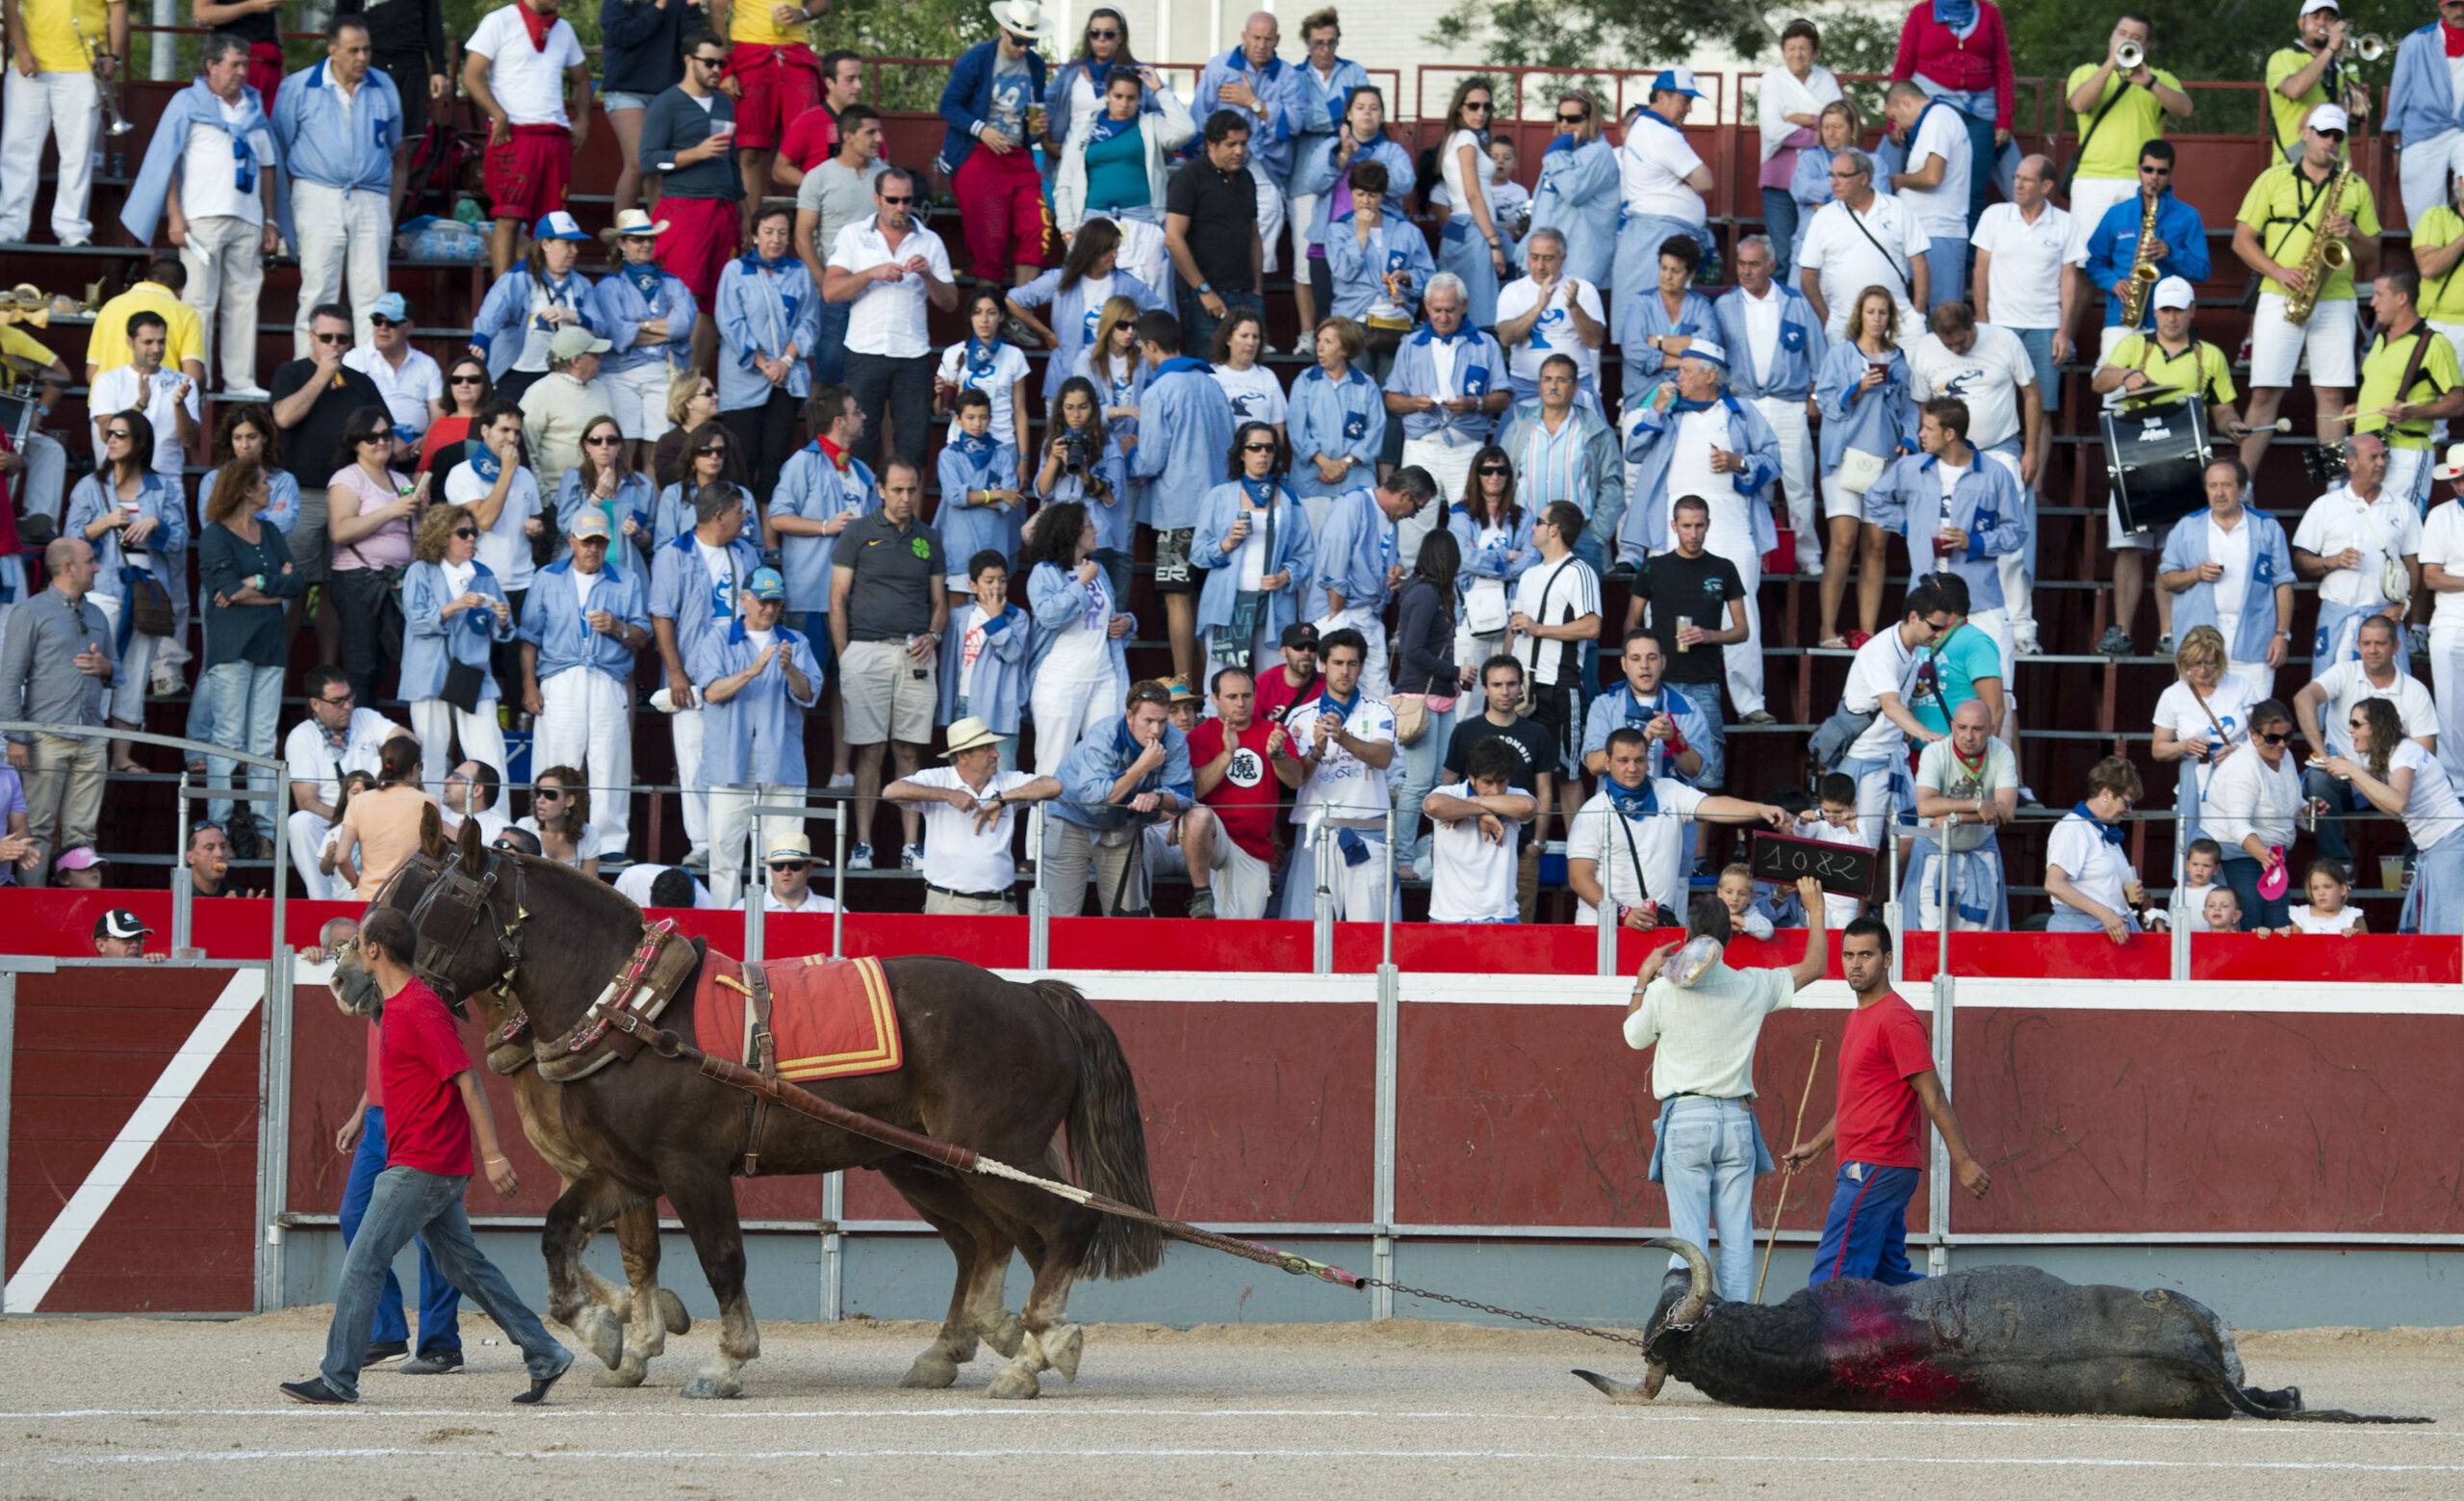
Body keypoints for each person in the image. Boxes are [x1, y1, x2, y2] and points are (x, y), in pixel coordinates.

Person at [282, 908, 573, 1407]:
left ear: (374, 950)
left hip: (424, 1163)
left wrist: (494, 1155)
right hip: (425, 1159)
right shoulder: (395, 1004)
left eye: (356, 945)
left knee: (362, 1262)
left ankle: (337, 1378)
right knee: (466, 1268)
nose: (350, 953)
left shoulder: (419, 1007)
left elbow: (468, 1079)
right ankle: (544, 1352)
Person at [1625, 875, 1830, 1298]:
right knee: (1737, 1239)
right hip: (1736, 1119)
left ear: (1686, 935)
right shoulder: (1752, 983)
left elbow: (1633, 1036)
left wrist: (1644, 977)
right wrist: (1817, 910)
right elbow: (1815, 968)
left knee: (1689, 1242)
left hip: (1686, 1118)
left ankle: (1688, 1329)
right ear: (1729, 937)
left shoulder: (1664, 989)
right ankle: (1736, 1332)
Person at [1782, 914, 1990, 1286]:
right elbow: (1859, 1102)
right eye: (1848, 955)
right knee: (1886, 1277)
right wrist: (1817, 1143)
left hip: (1877, 1162)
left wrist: (1964, 1162)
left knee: (1834, 1277)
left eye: (1866, 954)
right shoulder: (1860, 1016)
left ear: (1888, 959)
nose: (1856, 964)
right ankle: (1962, 1318)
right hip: (1873, 1162)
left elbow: (1934, 1094)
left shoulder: (1896, 1020)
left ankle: (1825, 1344)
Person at [1620, 344, 1780, 723]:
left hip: (1731, 522)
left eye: (1687, 370)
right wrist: (1656, 408)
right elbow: (1634, 449)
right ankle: (1656, 694)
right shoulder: (1669, 412)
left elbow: (1772, 462)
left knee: (1742, 614)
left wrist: (1739, 462)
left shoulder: (1741, 413)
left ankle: (1750, 702)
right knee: (1663, 612)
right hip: (1671, 526)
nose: (1678, 377)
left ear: (1711, 375)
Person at [118, 35, 279, 400]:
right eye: (234, 65)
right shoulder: (187, 102)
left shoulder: (254, 106)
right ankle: (194, 379)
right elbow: (168, 162)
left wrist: (271, 220)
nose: (242, 72)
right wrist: (175, 216)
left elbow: (269, 166)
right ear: (211, 67)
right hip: (202, 218)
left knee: (243, 300)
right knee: (198, 302)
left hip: (249, 217)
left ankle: (240, 380)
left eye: (245, 64)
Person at [2091, 275, 2241, 654]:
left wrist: (2232, 425)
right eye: (2165, 310)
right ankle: (2121, 630)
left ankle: (2169, 634)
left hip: (2184, 463)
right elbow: (2099, 382)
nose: (2171, 318)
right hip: (2135, 458)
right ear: (2155, 311)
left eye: (2178, 310)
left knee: (2174, 551)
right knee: (2128, 548)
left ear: (2192, 311)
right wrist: (2127, 375)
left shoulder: (2211, 355)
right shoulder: (2134, 345)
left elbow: (2222, 410)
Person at [2235, 107, 2381, 478]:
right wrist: (2277, 271)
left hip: (2334, 299)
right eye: (2323, 133)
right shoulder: (2273, 178)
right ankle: (2242, 484)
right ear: (2306, 132)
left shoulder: (2355, 185)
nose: (2330, 141)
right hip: (2278, 294)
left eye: (2337, 136)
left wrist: (2354, 233)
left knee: (2331, 396)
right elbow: (2242, 241)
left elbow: (2372, 252)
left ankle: (2333, 487)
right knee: (2265, 393)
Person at [831, 462, 945, 870]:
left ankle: (912, 845)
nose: (905, 498)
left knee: (909, 750)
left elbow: (939, 603)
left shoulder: (929, 537)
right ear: (880, 489)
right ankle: (863, 843)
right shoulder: (857, 532)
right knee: (870, 750)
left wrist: (934, 635)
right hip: (866, 649)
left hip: (916, 651)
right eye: (897, 490)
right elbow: (837, 599)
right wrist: (846, 657)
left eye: (912, 489)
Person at [1865, 397, 2028, 683]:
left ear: (1950, 434)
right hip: (1924, 602)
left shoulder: (1995, 474)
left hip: (1980, 601)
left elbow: (2016, 532)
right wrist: (1909, 525)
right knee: (1919, 692)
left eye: (1928, 428)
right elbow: (1875, 498)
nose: (1920, 434)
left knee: (1998, 694)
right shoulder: (1911, 468)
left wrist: (1974, 542)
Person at [1569, 725, 1788, 928]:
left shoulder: (1669, 791)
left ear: (1648, 761)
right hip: (1601, 928)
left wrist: (1759, 809)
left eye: (1639, 760)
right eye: (1623, 760)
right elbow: (1579, 878)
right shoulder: (1592, 811)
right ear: (1607, 762)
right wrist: (1622, 913)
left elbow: (1713, 805)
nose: (1632, 768)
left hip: (1657, 925)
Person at [520, 508, 647, 852]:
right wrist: (529, 687)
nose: (594, 549)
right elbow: (529, 637)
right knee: (555, 759)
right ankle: (545, 839)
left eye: (601, 543)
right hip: (561, 677)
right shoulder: (547, 577)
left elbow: (642, 635)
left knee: (610, 761)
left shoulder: (626, 579)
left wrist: (617, 627)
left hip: (607, 677)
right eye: (587, 541)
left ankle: (609, 845)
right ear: (572, 541)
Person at [270, 20, 401, 352]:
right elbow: (279, 145)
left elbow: (393, 143)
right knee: (317, 288)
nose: (362, 57)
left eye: (366, 49)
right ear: (332, 50)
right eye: (353, 50)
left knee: (373, 292)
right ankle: (308, 371)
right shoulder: (298, 87)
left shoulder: (384, 86)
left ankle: (368, 376)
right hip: (317, 194)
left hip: (370, 195)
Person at [650, 482, 760, 869]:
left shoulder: (746, 552)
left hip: (736, 674)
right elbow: (661, 615)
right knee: (694, 760)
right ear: (719, 516)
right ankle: (701, 841)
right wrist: (675, 673)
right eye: (740, 512)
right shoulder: (672, 555)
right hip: (692, 675)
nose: (746, 519)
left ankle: (733, 841)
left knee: (739, 761)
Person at [690, 566, 818, 898]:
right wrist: (754, 670)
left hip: (781, 766)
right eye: (763, 601)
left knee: (785, 859)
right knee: (724, 858)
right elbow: (711, 693)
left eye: (775, 602)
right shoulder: (718, 638)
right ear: (744, 600)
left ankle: (780, 935)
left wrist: (789, 669)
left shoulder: (797, 642)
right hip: (730, 764)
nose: (770, 609)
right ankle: (725, 934)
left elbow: (808, 695)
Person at [825, 168, 960, 477]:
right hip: (864, 350)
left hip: (912, 354)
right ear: (876, 199)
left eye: (907, 200)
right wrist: (873, 272)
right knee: (858, 445)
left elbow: (950, 302)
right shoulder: (852, 235)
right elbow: (831, 291)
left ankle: (909, 522)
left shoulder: (930, 241)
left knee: (914, 448)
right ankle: (861, 522)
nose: (900, 207)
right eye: (892, 199)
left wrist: (927, 275)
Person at [1130, 311, 1239, 685]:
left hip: (1176, 511)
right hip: (1218, 512)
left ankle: (1182, 681)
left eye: (1143, 348)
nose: (1143, 356)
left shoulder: (1158, 391)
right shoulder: (1213, 385)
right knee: (1207, 601)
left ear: (1153, 346)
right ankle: (1215, 686)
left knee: (1178, 597)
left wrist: (1131, 451)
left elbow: (1150, 460)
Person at [67, 409, 183, 760]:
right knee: (94, 670)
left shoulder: (163, 487)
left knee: (134, 675)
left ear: (140, 442)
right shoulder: (90, 486)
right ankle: (90, 752)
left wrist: (155, 525)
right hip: (103, 590)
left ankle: (121, 757)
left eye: (121, 434)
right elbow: (68, 540)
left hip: (147, 592)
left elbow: (180, 540)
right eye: (109, 434)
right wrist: (103, 523)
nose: (111, 440)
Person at [196, 460, 300, 845]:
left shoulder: (270, 530)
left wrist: (257, 582)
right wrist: (274, 589)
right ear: (244, 490)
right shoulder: (215, 535)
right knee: (228, 737)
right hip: (231, 646)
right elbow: (226, 588)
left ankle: (265, 830)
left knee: (261, 740)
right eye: (263, 484)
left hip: (269, 645)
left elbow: (296, 582)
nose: (271, 490)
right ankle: (220, 827)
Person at [0, 536, 114, 884]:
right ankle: (34, 912)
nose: (97, 568)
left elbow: (116, 672)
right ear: (68, 568)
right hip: (44, 737)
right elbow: (9, 678)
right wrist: (17, 737)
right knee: (37, 830)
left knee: (83, 833)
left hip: (92, 737)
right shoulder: (30, 611)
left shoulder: (97, 614)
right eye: (91, 561)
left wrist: (105, 667)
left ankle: (77, 917)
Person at [1627, 500, 1750, 810]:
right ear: (1674, 526)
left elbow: (1742, 630)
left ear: (1708, 524)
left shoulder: (1723, 568)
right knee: (1651, 763)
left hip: (1703, 682)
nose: (1693, 533)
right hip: (1658, 684)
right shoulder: (1655, 567)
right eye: (1686, 526)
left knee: (1706, 772)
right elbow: (1632, 622)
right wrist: (1644, 657)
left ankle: (1700, 859)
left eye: (1699, 525)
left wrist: (1709, 635)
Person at [1714, 235, 1826, 576]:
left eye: (1754, 264)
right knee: (1752, 482)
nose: (1746, 272)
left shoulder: (1795, 303)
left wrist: (1815, 397)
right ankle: (1754, 551)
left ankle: (1807, 554)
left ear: (1772, 266)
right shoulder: (1724, 306)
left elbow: (1819, 355)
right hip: (1746, 405)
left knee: (1799, 484)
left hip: (1789, 404)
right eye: (1741, 264)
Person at [2297, 615, 2440, 869]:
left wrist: (2373, 773)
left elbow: (2425, 755)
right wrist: (2324, 756)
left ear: (2395, 647)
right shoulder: (2345, 672)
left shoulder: (2415, 691)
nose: (2372, 650)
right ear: (2358, 645)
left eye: (2380, 643)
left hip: (2390, 781)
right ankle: (2336, 867)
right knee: (2319, 778)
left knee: (2430, 785)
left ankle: (2413, 866)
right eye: (2366, 643)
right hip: (2342, 779)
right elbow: (2303, 698)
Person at [1270, 629, 1395, 919]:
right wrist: (1311, 750)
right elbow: (1295, 778)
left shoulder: (1380, 711)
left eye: (1352, 664)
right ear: (1323, 665)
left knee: (1370, 930)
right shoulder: (1300, 716)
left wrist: (1343, 738)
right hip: (1317, 831)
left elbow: (1384, 758)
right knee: (1308, 927)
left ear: (1361, 667)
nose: (1345, 671)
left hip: (1367, 829)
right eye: (1337, 663)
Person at [464, 0, 593, 280]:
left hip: (555, 135)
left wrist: (583, 119)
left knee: (550, 224)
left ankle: (542, 294)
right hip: (514, 133)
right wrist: (497, 114)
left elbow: (582, 79)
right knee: (508, 216)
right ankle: (503, 293)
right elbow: (471, 75)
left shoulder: (563, 28)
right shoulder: (499, 21)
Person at [1384, 275, 1507, 566]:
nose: (1442, 316)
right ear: (1426, 306)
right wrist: (1415, 403)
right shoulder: (1411, 344)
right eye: (1436, 309)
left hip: (1467, 448)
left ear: (1464, 305)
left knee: (1471, 530)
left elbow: (1503, 398)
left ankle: (1467, 604)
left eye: (1450, 309)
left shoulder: (1485, 344)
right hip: (1421, 446)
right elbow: (1391, 399)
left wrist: (1474, 403)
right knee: (1411, 531)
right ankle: (1412, 602)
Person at [936, 2, 1057, 293]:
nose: (1024, 47)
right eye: (1019, 40)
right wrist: (982, 130)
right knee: (990, 241)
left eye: (1031, 41)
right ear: (1003, 30)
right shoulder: (977, 58)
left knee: (1037, 228)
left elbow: (1034, 110)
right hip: (978, 153)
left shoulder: (1036, 65)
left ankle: (1018, 312)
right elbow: (948, 105)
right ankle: (986, 325)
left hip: (1019, 155)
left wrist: (1039, 125)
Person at [634, 31, 736, 375]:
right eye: (709, 62)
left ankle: (693, 378)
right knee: (683, 298)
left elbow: (734, 163)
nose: (716, 69)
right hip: (684, 209)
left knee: (713, 303)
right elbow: (647, 161)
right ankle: (671, 375)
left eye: (721, 63)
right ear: (688, 60)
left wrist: (746, 215)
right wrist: (695, 153)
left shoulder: (724, 103)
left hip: (724, 211)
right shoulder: (666, 102)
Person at [886, 716, 1061, 916]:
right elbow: (891, 792)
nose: (995, 754)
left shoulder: (1006, 781)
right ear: (963, 756)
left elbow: (1053, 786)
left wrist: (1002, 799)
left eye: (993, 747)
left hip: (1000, 903)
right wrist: (949, 795)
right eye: (987, 749)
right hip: (947, 902)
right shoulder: (938, 777)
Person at [1046, 680, 1191, 916]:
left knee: (1126, 918)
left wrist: (1157, 796)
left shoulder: (1174, 740)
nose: (1156, 730)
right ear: (1130, 716)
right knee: (1060, 918)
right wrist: (1140, 768)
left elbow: (1184, 794)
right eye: (1148, 721)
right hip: (1071, 819)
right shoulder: (1103, 733)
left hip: (1120, 825)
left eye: (1162, 721)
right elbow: (1094, 799)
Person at [2159, 455, 2296, 700]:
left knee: (2253, 717)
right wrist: (2196, 573)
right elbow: (2166, 579)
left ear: (2242, 489)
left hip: (2255, 637)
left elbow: (2283, 582)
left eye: (2226, 485)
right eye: (2213, 486)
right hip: (2199, 639)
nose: (2219, 493)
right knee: (2197, 717)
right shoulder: (2187, 526)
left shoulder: (2267, 526)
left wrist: (2281, 634)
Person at [400, 503, 512, 801]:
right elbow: (418, 621)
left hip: (473, 674)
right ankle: (434, 824)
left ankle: (495, 827)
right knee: (431, 755)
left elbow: (502, 630)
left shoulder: (484, 574)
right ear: (442, 536)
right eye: (463, 533)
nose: (471, 539)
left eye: (473, 533)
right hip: (429, 673)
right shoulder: (420, 571)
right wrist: (457, 605)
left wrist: (501, 618)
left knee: (489, 752)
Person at [2322, 699, 2464, 931]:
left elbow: (2398, 801)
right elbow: (2397, 812)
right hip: (2440, 846)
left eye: (2356, 724)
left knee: (2450, 930)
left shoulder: (2403, 752)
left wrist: (2354, 771)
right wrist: (2354, 777)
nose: (2350, 730)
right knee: (2436, 928)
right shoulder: (2399, 752)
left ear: (2376, 727)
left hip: (2448, 846)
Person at [1009, 219, 1169, 417]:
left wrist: (1138, 340)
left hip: (1110, 386)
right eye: (1109, 250)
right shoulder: (1060, 279)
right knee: (1060, 443)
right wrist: (1046, 334)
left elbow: (1162, 313)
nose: (1116, 255)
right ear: (1092, 250)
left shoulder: (1127, 284)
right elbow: (1013, 300)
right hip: (1064, 379)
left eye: (1117, 248)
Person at [0, 0, 126, 247]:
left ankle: (72, 227)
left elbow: (119, 6)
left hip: (83, 66)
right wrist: (22, 50)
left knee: (77, 153)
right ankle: (9, 225)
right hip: (29, 64)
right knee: (17, 150)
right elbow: (10, 4)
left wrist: (114, 56)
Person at [1442, 656, 1559, 919]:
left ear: (1521, 687)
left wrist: (1537, 844)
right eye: (1497, 685)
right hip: (1470, 844)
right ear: (1484, 688)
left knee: (1519, 932)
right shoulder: (1465, 731)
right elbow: (1447, 785)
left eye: (1511, 684)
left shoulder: (1537, 733)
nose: (1505, 691)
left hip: (1521, 847)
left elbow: (1545, 792)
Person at [1021, 500, 1133, 776]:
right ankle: (1043, 821)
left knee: (1106, 763)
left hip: (1104, 676)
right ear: (1071, 532)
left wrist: (1128, 622)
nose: (1096, 531)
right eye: (1089, 525)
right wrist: (1080, 583)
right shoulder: (1043, 573)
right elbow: (1047, 616)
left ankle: (1094, 821)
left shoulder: (1098, 569)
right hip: (1060, 681)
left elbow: (1108, 617)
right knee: (1052, 766)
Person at [718, 206, 822, 500]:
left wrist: (786, 362)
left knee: (776, 459)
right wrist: (764, 364)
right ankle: (741, 527)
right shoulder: (735, 271)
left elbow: (809, 320)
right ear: (754, 235)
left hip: (785, 380)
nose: (775, 239)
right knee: (742, 458)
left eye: (782, 233)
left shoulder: (799, 271)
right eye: (768, 232)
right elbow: (730, 322)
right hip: (744, 379)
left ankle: (770, 531)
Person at [2296, 432, 2425, 668]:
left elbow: (2413, 563)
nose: (2381, 463)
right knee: (2333, 697)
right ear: (2351, 464)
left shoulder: (2403, 508)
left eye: (2383, 457)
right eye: (2373, 457)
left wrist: (2403, 607)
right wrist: (2330, 561)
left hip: (2385, 619)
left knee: (2390, 696)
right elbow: (2301, 560)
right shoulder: (2325, 506)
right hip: (2339, 618)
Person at [1889, 0, 2015, 239]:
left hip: (1980, 113)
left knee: (1974, 193)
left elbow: (2003, 67)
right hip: (1930, 110)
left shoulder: (1989, 13)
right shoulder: (1921, 13)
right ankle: (1918, 251)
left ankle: (1967, 269)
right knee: (1927, 179)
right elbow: (1903, 67)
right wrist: (1893, 121)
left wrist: (2005, 118)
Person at [2081, 141, 2210, 367]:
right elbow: (2093, 262)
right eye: (2148, 170)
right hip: (2121, 316)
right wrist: (2113, 283)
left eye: (2161, 171)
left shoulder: (2188, 216)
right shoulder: (2117, 214)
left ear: (2171, 173)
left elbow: (2202, 270)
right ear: (2139, 169)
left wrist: (2171, 252)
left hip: (2166, 320)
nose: (2154, 177)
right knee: (2113, 390)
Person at [1308, 468, 1433, 701]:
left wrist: (1396, 572)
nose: (1414, 515)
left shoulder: (1391, 518)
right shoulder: (1352, 504)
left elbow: (1381, 561)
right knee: (1336, 691)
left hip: (1369, 615)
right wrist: (1336, 616)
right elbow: (1334, 559)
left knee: (1378, 693)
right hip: (1341, 611)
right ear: (1404, 495)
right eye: (1417, 507)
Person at [1835, 579, 1953, 826]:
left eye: (1944, 628)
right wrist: (1923, 733)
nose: (1939, 634)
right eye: (1934, 627)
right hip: (1867, 759)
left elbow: (1899, 701)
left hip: (1895, 758)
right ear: (1913, 617)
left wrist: (1907, 727)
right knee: (1866, 844)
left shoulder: (1914, 647)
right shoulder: (1882, 650)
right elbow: (1890, 705)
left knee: (1911, 837)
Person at [2063, 14, 2194, 234]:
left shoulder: (2159, 78)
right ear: (2112, 36)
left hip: (2142, 180)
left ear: (2146, 46)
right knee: (2086, 261)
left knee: (2139, 259)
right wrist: (2110, 65)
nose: (2126, 40)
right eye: (2122, 33)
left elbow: (2185, 110)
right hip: (2093, 181)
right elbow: (2079, 104)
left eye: (2135, 37)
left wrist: (2150, 83)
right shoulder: (2086, 72)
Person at [1493, 357, 1622, 577]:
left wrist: (1596, 536)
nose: (1553, 386)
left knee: (1579, 610)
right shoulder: (1518, 429)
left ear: (1575, 386)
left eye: (1561, 380)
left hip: (1579, 537)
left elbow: (1613, 485)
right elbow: (1500, 483)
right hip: (1527, 535)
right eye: (1547, 379)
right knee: (1528, 608)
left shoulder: (1596, 430)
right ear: (1539, 385)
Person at [589, 216, 698, 478]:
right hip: (619, 376)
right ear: (622, 244)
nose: (646, 244)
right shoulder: (608, 286)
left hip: (661, 373)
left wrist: (640, 326)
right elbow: (617, 335)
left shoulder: (670, 281)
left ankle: (656, 516)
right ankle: (622, 513)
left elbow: (685, 324)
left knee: (657, 453)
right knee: (621, 450)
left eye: (650, 238)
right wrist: (665, 329)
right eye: (638, 239)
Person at [280, 666, 400, 898]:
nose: (348, 706)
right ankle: (320, 901)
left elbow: (407, 740)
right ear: (315, 704)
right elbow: (306, 801)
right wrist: (350, 821)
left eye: (349, 697)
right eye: (338, 701)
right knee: (299, 822)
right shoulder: (302, 735)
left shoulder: (365, 717)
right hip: (331, 819)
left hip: (378, 816)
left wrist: (389, 763)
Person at [2349, 271, 2464, 508]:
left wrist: (2411, 414)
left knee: (2399, 531)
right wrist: (2362, 409)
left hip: (2406, 454)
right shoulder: (2381, 338)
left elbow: (2458, 402)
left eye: (2380, 295)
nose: (2372, 303)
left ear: (2402, 298)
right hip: (2369, 453)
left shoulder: (2435, 344)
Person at [794, 103, 888, 388]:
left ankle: (880, 436)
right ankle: (820, 434)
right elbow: (802, 236)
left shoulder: (886, 177)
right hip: (835, 290)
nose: (879, 139)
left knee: (877, 378)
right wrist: (824, 282)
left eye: (879, 132)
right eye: (870, 132)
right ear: (847, 136)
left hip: (878, 290)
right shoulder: (819, 177)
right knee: (827, 372)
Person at [1902, 695, 2016, 930]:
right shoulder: (1935, 752)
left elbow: (2006, 811)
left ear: (1991, 730)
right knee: (1930, 936)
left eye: (1977, 729)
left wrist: (1958, 817)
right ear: (1952, 727)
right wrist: (1977, 805)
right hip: (1934, 853)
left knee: (1975, 943)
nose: (1968, 736)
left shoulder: (2002, 753)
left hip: (1980, 854)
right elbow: (1925, 806)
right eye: (1962, 728)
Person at [1611, 69, 1713, 332]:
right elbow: (1705, 182)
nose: (1689, 109)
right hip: (1656, 237)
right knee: (1655, 322)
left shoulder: (1648, 127)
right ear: (1661, 97)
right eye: (1684, 100)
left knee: (1657, 320)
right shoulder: (1660, 132)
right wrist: (1687, 178)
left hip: (1653, 234)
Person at [468, 212, 604, 401]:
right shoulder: (517, 279)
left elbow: (600, 327)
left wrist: (573, 316)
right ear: (545, 244)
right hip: (519, 371)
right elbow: (493, 310)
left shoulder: (582, 285)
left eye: (576, 244)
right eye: (567, 243)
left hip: (565, 374)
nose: (575, 250)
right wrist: (482, 337)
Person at [1507, 503, 1601, 780]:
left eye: (1539, 521)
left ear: (1554, 530)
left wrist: (1539, 629)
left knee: (1566, 776)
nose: (1532, 527)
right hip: (1523, 688)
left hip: (1559, 686)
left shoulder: (1579, 571)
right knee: (1519, 773)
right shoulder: (1528, 575)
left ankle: (1575, 827)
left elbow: (1592, 626)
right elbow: (1513, 632)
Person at [1798, 149, 1931, 343]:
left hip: (1899, 323)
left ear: (1863, 178)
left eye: (1842, 176)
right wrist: (1828, 320)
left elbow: (1920, 265)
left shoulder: (1897, 209)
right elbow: (1807, 276)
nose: (1833, 183)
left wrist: (1917, 316)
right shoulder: (1822, 218)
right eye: (1832, 175)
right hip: (1843, 325)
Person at [2150, 624, 2259, 859]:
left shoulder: (2240, 686)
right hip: (2195, 775)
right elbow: (2158, 749)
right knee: (2195, 848)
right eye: (2195, 663)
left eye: (2208, 663)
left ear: (2219, 661)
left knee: (2235, 838)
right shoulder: (2173, 695)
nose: (2201, 670)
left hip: (2236, 775)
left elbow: (2260, 736)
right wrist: (2184, 745)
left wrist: (2238, 750)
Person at [1053, 65, 1194, 241]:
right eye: (1118, 96)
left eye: (1131, 98)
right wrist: (1066, 229)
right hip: (1092, 218)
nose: (1124, 104)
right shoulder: (1084, 130)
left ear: (1140, 99)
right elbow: (1064, 182)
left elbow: (1186, 131)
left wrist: (1160, 91)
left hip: (1143, 218)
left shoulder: (1151, 124)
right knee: (1092, 269)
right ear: (1107, 94)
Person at [1754, 18, 1844, 282]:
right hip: (1779, 178)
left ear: (1815, 52)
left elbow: (1838, 122)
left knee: (1818, 251)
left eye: (1804, 48)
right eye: (1791, 48)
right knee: (1781, 256)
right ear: (1783, 52)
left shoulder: (1826, 80)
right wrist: (1818, 126)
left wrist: (1800, 118)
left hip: (1819, 177)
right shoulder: (1772, 79)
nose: (1797, 54)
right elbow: (1771, 129)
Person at [2204, 696, 2305, 930]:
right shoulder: (2242, 767)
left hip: (2271, 857)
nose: (2281, 744)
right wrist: (2265, 856)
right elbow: (2238, 827)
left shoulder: (2284, 755)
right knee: (2250, 925)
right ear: (2253, 734)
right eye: (2273, 738)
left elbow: (2289, 799)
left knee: (2280, 926)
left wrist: (2306, 808)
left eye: (2287, 737)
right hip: (2240, 855)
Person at [1420, 738, 1536, 923]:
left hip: (1502, 916)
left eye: (1501, 781)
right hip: (1449, 917)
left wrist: (1475, 802)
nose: (1495, 790)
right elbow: (1432, 805)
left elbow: (1529, 807)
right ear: (1471, 777)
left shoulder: (1516, 794)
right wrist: (1484, 812)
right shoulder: (1452, 793)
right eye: (1487, 782)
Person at [1882, 80, 1976, 309]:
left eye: (1894, 118)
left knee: (1943, 320)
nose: (1896, 127)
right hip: (1930, 233)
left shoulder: (1938, 118)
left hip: (1938, 232)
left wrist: (1897, 181)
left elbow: (1932, 177)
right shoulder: (1936, 119)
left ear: (1905, 102)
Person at [1494, 229, 1607, 416]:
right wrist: (1539, 307)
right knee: (1507, 444)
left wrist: (1574, 307)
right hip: (1526, 386)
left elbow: (1595, 341)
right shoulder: (1512, 291)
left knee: (1598, 442)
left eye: (1548, 258)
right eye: (1534, 257)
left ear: (1563, 258)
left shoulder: (1583, 289)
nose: (1540, 265)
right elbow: (1506, 338)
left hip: (1574, 386)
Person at [1286, 319, 1387, 524]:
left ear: (1346, 349)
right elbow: (1297, 431)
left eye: (1328, 342)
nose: (1319, 347)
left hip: (1355, 481)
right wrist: (1325, 464)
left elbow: (1376, 430)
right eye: (1318, 340)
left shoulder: (1366, 386)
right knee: (1313, 548)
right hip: (1313, 481)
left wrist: (1344, 464)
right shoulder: (1304, 381)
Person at [1579, 629, 1707, 784]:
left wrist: (1674, 739)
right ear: (1624, 664)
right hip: (1618, 805)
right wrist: (1643, 740)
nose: (1644, 665)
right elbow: (1593, 765)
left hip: (1673, 806)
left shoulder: (1688, 706)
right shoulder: (1603, 705)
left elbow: (1695, 770)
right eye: (1635, 658)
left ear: (1663, 662)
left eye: (1652, 658)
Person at [597, 0, 687, 218]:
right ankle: (621, 241)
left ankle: (659, 242)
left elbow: (688, 43)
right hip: (625, 91)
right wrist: (658, 8)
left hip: (665, 92)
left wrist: (692, 10)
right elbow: (626, 36)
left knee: (661, 168)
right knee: (638, 164)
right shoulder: (616, 4)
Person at [2044, 754, 2147, 942]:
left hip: (2108, 932)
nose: (2129, 810)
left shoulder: (2107, 832)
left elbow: (2098, 887)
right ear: (2106, 794)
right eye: (2127, 803)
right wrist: (2104, 914)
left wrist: (2122, 893)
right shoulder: (2073, 827)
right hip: (2081, 933)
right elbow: (2054, 884)